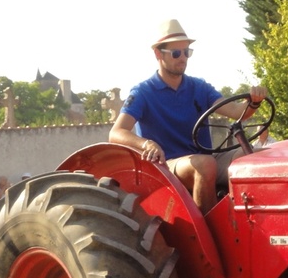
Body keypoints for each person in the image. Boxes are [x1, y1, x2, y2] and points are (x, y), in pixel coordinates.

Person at [110, 19, 268, 213]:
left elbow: (237, 113)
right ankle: (210, 235)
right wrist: (147, 144)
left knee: (253, 156)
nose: (183, 58)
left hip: (204, 157)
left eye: (187, 52)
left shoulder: (198, 87)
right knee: (204, 165)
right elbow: (117, 132)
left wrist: (254, 101)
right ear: (158, 54)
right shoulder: (144, 92)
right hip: (167, 164)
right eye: (176, 53)